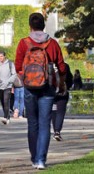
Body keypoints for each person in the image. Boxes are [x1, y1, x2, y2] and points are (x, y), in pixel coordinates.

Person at [14, 12, 66, 170]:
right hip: (48, 87)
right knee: (45, 124)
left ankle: (34, 157)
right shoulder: (52, 43)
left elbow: (17, 66)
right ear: (43, 25)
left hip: (29, 87)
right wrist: (61, 83)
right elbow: (62, 66)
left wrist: (27, 78)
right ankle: (41, 160)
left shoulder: (24, 43)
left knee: (32, 123)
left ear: (30, 26)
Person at [51, 62, 73, 141]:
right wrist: (68, 87)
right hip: (62, 92)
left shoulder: (47, 65)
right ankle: (57, 131)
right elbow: (70, 79)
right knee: (60, 112)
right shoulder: (65, 66)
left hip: (51, 93)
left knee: (54, 112)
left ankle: (55, 130)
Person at [0, 51, 16, 124]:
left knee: (6, 101)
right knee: (3, 102)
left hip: (8, 86)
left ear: (5, 56)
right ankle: (7, 116)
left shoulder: (10, 64)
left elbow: (14, 74)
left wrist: (8, 81)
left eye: (1, 56)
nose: (0, 58)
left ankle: (6, 117)